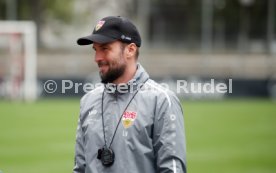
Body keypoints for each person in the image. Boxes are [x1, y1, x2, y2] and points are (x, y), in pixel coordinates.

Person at [73, 16, 187, 173]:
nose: (97, 58)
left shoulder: (161, 100)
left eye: (105, 49)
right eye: (95, 50)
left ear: (130, 50)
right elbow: (80, 168)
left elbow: (172, 169)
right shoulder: (88, 101)